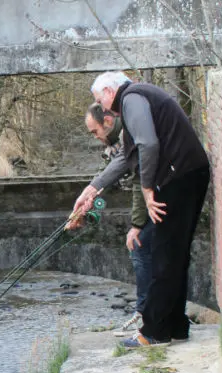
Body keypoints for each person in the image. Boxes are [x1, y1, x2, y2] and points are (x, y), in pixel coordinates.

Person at [70, 71, 210, 348]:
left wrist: (147, 190)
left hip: (177, 179)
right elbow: (126, 155)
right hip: (188, 174)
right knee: (174, 254)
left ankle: (154, 332)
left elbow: (148, 143)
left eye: (99, 99)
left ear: (110, 91)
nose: (101, 105)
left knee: (162, 254)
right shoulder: (139, 98)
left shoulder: (132, 99)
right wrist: (93, 188)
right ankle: (175, 326)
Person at [84, 102, 152, 336]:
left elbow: (137, 183)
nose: (95, 137)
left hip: (156, 202)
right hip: (147, 206)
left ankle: (146, 317)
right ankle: (146, 315)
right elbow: (108, 188)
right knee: (141, 254)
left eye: (95, 131)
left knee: (140, 251)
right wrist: (91, 212)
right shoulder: (112, 147)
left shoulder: (128, 137)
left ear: (108, 122)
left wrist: (136, 224)